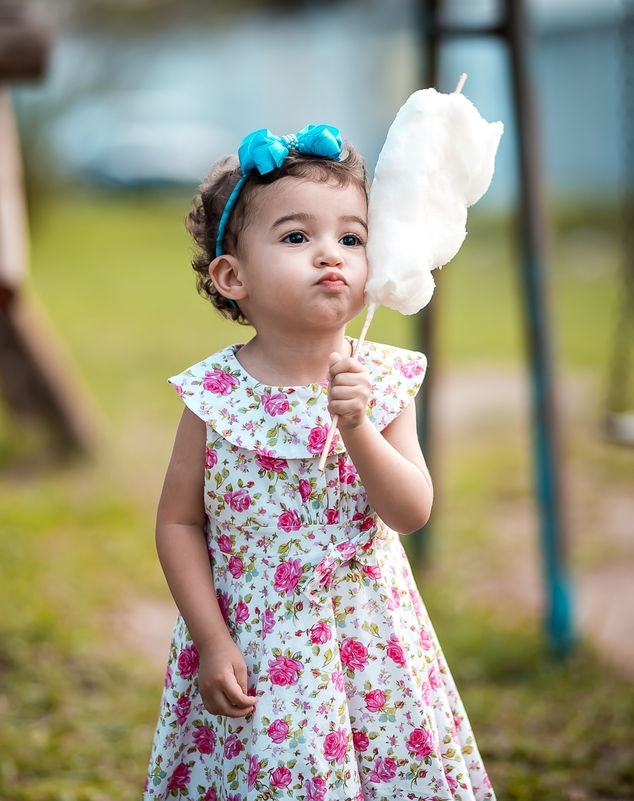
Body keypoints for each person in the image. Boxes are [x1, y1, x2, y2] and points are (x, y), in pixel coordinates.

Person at [143, 125, 495, 800]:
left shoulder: (384, 381)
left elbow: (411, 510)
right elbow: (179, 523)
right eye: (297, 237)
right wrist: (212, 639)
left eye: (352, 238)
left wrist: (357, 426)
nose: (330, 255)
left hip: (372, 644)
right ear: (232, 275)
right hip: (258, 649)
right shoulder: (215, 397)